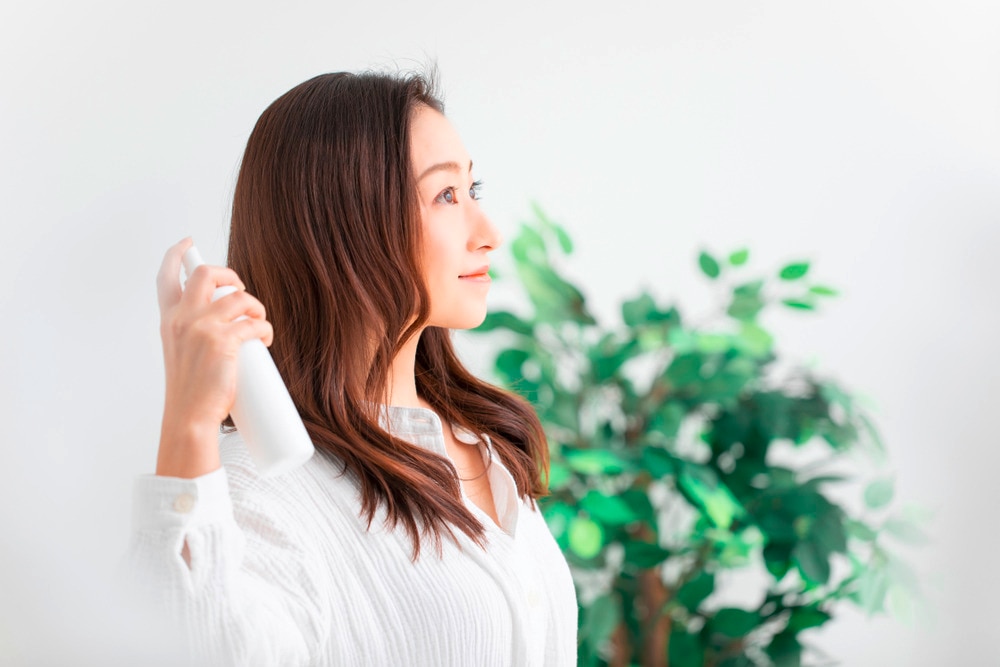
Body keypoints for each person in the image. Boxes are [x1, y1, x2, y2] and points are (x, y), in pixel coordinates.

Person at [121, 69, 578, 666]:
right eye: (445, 195)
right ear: (344, 224)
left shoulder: (484, 444)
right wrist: (188, 423)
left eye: (473, 189)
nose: (489, 233)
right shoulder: (263, 485)